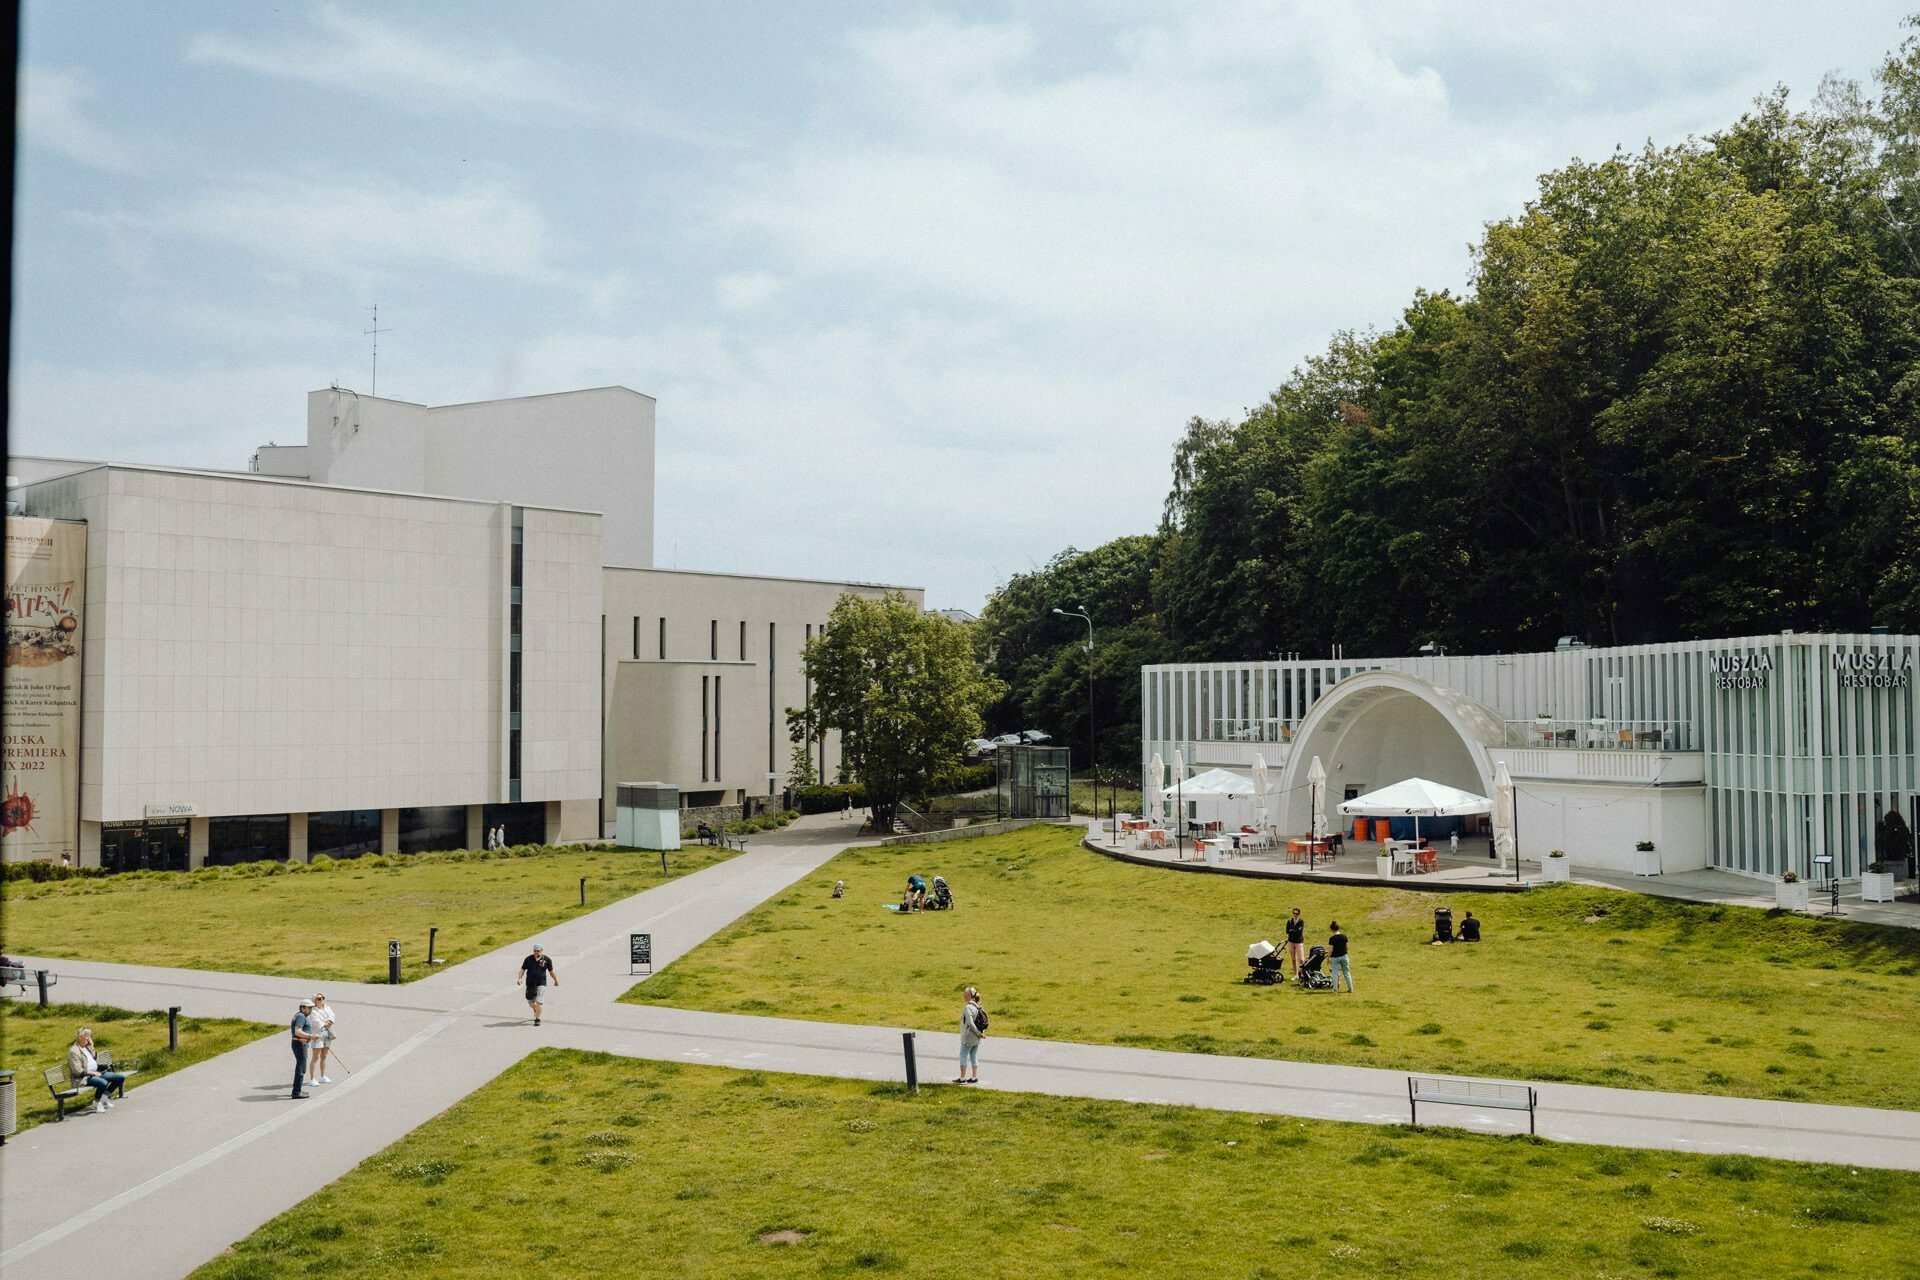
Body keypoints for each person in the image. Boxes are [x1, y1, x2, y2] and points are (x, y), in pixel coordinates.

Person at [68, 1028, 126, 1113]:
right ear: (79, 1037)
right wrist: (92, 1073)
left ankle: (104, 1098)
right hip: (83, 1078)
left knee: (119, 1078)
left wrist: (91, 1047)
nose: (88, 1038)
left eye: (89, 1035)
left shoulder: (87, 1047)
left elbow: (94, 1058)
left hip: (96, 1073)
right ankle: (96, 1102)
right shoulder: (74, 1051)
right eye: (86, 1035)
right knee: (103, 1082)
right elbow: (77, 1070)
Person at [519, 943, 557, 1025]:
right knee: (530, 1002)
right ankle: (536, 1009)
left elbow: (551, 971)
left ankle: (537, 1019)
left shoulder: (547, 960)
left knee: (538, 1001)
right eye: (535, 951)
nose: (536, 952)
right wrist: (519, 978)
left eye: (538, 951)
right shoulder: (528, 959)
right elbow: (522, 969)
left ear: (542, 951)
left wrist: (555, 980)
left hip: (541, 982)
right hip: (530, 983)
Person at [955, 986, 985, 1084]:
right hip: (976, 1038)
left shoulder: (968, 1007)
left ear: (968, 995)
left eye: (965, 994)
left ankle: (962, 1078)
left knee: (963, 1055)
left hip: (969, 1037)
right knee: (974, 1056)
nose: (963, 995)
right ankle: (974, 1077)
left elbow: (970, 1023)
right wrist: (980, 1034)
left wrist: (978, 1033)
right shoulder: (977, 1006)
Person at [290, 999, 318, 1099]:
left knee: (301, 1066)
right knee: (301, 1068)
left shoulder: (300, 1015)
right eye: (309, 1008)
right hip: (300, 1044)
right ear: (302, 1008)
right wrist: (310, 1036)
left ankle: (297, 1089)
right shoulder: (301, 1016)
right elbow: (297, 1031)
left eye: (311, 1008)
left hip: (299, 1044)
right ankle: (296, 1092)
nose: (311, 1010)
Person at [308, 993, 336, 1084]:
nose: (321, 1000)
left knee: (324, 1056)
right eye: (319, 999)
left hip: (327, 1033)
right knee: (315, 1057)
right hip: (318, 1034)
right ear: (314, 1001)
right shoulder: (313, 1011)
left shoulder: (328, 1008)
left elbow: (332, 1017)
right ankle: (312, 1079)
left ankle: (323, 1076)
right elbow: (316, 1022)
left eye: (322, 998)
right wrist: (326, 1021)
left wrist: (328, 1021)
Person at [1328, 921, 1354, 993]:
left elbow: (1330, 950)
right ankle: (1350, 988)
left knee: (1335, 974)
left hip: (1335, 958)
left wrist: (1327, 958)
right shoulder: (1344, 936)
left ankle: (1335, 989)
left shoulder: (1332, 938)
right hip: (1344, 956)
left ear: (1332, 929)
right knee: (1347, 973)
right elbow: (1347, 947)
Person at [1283, 908, 1307, 976]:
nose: (1295, 915)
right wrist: (1293, 930)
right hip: (1291, 942)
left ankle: (1303, 973)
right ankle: (1295, 974)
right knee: (1293, 959)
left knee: (1301, 959)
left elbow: (1299, 932)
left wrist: (1292, 930)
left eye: (1296, 913)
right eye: (1294, 913)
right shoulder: (1289, 921)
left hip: (1298, 942)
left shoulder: (1301, 921)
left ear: (1299, 914)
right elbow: (1287, 931)